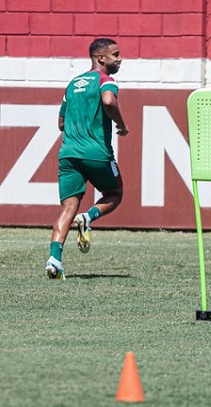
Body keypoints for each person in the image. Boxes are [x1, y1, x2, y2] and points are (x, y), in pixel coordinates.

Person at [45, 38, 129, 280]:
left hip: (68, 154)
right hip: (96, 154)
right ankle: (89, 217)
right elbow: (108, 101)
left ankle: (54, 259)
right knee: (115, 194)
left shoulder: (72, 84)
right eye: (115, 55)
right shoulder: (107, 80)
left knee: (67, 208)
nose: (119, 59)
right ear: (100, 58)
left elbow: (61, 123)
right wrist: (121, 125)